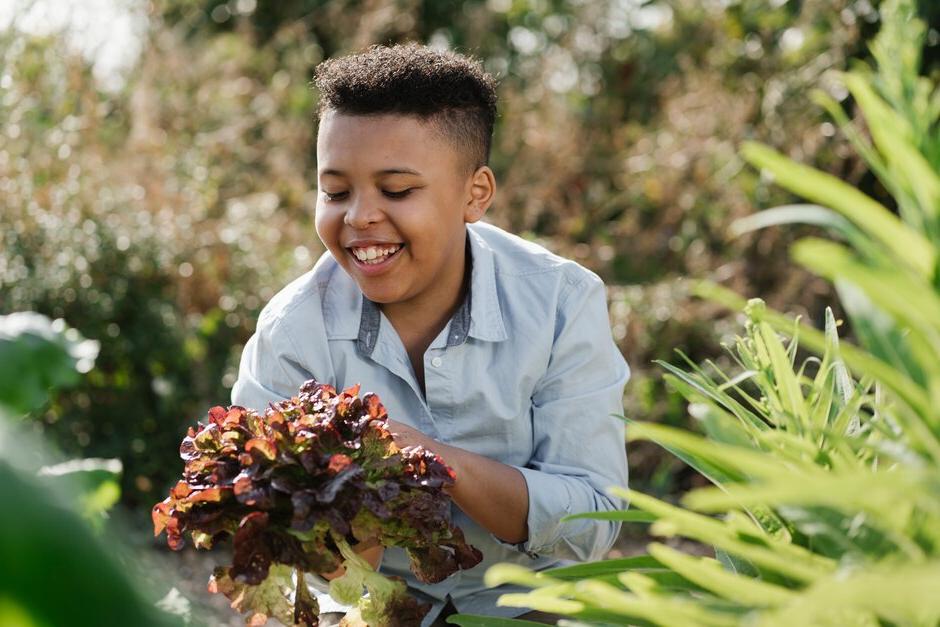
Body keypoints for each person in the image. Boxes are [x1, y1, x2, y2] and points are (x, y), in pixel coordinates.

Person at [231, 42, 629, 626]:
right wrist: (343, 535)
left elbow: (590, 522)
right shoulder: (294, 329)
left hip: (517, 604)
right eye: (335, 191)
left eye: (396, 191)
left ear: (476, 194)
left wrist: (428, 459)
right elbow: (266, 527)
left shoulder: (559, 303)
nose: (360, 216)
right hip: (362, 609)